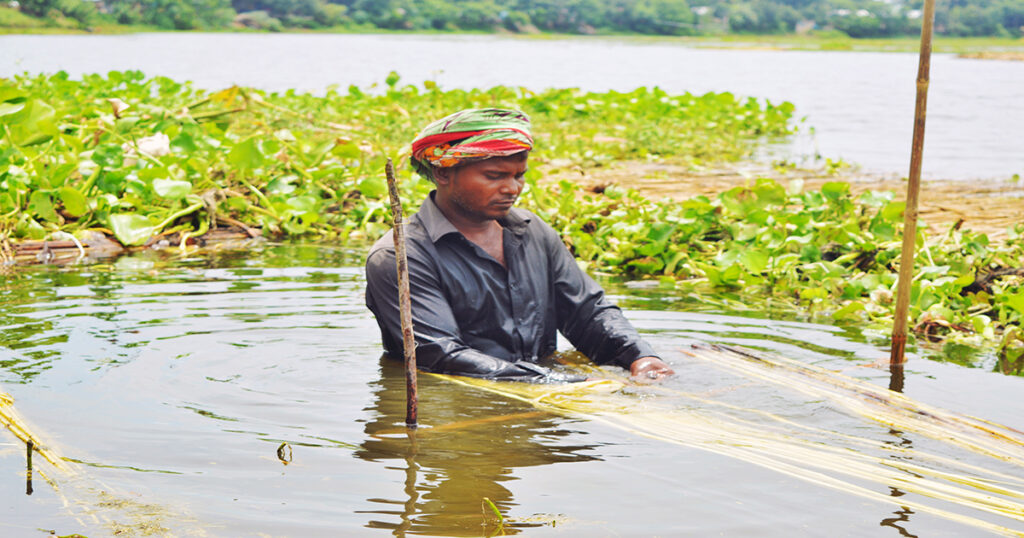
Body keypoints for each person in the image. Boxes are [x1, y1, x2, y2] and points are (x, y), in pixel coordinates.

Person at [365, 108, 674, 383]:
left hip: (540, 384)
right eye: (494, 176)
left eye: (519, 175)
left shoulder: (533, 232)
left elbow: (587, 313)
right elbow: (440, 354)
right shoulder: (399, 257)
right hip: (461, 407)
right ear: (443, 172)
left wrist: (638, 356)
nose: (512, 188)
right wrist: (555, 381)